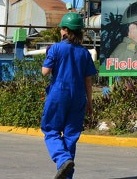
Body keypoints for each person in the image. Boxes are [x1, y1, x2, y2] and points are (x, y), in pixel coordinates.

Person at [41, 12, 97, 179]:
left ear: (65, 30)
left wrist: (48, 55)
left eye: (61, 29)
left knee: (51, 130)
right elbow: (88, 81)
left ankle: (62, 158)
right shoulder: (85, 53)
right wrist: (90, 102)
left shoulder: (56, 48)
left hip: (59, 94)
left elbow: (45, 72)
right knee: (71, 136)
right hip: (79, 97)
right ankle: (67, 176)